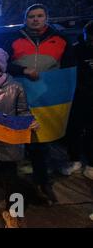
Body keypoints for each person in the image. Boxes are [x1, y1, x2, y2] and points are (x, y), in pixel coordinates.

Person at [4, 3, 75, 206]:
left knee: (40, 145)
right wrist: (23, 71)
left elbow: (70, 70)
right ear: (25, 19)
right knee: (15, 143)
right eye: (31, 16)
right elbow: (3, 64)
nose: (35, 19)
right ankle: (12, 186)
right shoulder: (13, 39)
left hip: (46, 101)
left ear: (46, 17)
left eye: (39, 16)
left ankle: (42, 184)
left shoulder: (61, 40)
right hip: (18, 99)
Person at [0, 47, 39, 228]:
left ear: (0, 65)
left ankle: (14, 212)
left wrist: (32, 123)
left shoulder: (16, 87)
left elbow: (24, 111)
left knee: (13, 180)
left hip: (10, 143)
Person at [62, 20, 93, 179]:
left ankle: (91, 164)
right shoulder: (76, 50)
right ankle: (74, 160)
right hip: (77, 97)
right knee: (74, 129)